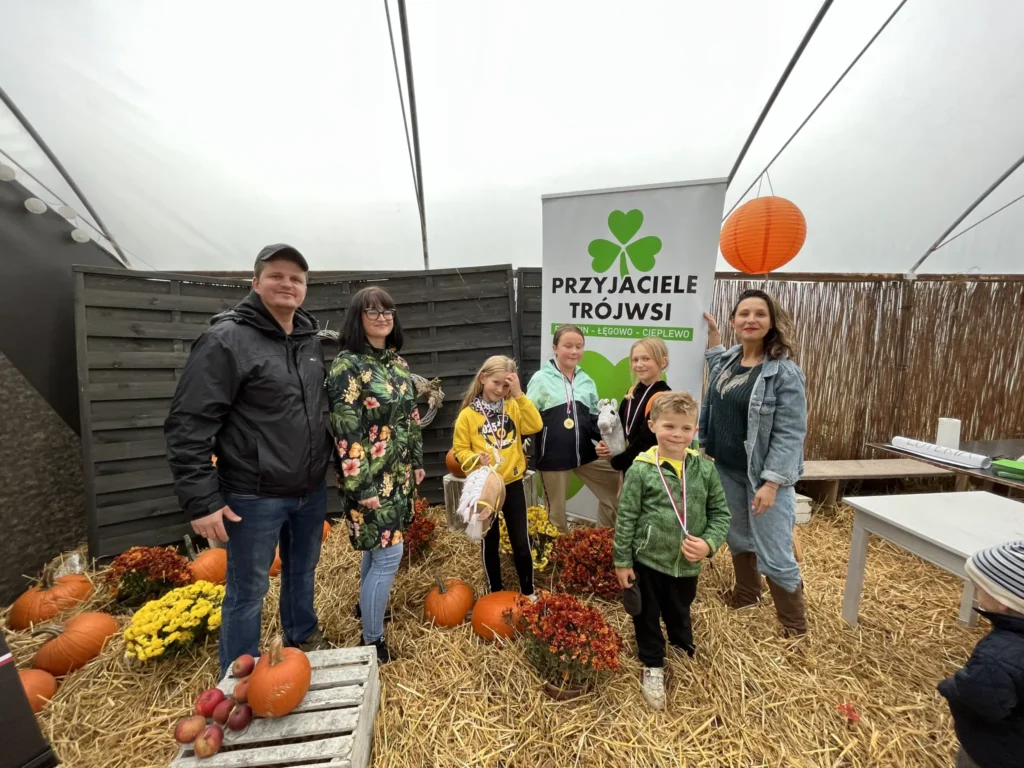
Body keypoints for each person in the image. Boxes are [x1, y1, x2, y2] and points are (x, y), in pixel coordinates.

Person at [165, 244, 334, 678]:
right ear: (255, 283)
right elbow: (189, 422)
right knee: (248, 588)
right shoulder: (226, 340)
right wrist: (202, 500)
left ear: (305, 288)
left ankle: (302, 635)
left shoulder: (308, 340)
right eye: (276, 275)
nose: (287, 284)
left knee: (302, 570)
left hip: (309, 488)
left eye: (296, 278)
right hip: (254, 493)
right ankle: (239, 673)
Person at [612, 391, 731, 710]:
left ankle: (682, 651)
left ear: (695, 431)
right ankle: (653, 664)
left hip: (686, 566)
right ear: (652, 426)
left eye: (685, 428)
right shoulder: (641, 470)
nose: (677, 434)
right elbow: (626, 516)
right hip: (647, 561)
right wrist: (622, 560)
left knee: (680, 611)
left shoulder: (705, 471)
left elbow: (721, 514)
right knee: (647, 616)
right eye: (669, 426)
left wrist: (708, 543)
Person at [700, 288, 808, 636]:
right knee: (738, 537)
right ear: (733, 321)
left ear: (771, 322)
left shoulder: (784, 374)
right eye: (744, 314)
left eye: (760, 314)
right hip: (727, 468)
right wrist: (713, 338)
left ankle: (793, 627)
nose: (751, 320)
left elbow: (790, 433)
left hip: (762, 476)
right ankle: (747, 595)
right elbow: (717, 368)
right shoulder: (730, 360)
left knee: (774, 550)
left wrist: (772, 483)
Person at [325, 286, 424, 664]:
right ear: (358, 318)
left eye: (388, 311)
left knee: (376, 549)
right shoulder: (346, 366)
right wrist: (361, 485)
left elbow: (410, 418)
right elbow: (345, 429)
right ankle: (372, 640)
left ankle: (365, 608)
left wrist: (417, 462)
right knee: (389, 554)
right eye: (373, 311)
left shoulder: (398, 364)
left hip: (398, 475)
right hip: (367, 478)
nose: (382, 317)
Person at [451, 356, 543, 597]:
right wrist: (474, 459)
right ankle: (495, 592)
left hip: (512, 484)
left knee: (520, 541)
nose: (501, 389)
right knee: (489, 541)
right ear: (483, 378)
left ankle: (528, 592)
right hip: (486, 487)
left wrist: (519, 394)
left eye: (506, 385)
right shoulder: (467, 416)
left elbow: (535, 425)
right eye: (496, 383)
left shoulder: (513, 406)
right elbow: (460, 450)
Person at [937, 540, 1024, 768]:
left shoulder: (996, 655)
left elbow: (978, 697)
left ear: (1003, 601)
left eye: (980, 587)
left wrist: (951, 686)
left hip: (993, 753)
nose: (976, 592)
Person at [525, 324, 620, 531]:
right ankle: (558, 550)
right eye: (568, 346)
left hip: (584, 453)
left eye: (579, 346)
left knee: (615, 492)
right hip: (554, 457)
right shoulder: (541, 379)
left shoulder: (586, 380)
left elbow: (594, 419)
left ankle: (601, 540)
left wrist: (604, 440)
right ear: (555, 348)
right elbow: (527, 418)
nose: (574, 351)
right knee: (556, 517)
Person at [597, 338, 672, 485]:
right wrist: (607, 445)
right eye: (635, 359)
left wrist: (618, 461)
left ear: (663, 362)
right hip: (630, 465)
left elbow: (647, 440)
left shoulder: (664, 397)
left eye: (646, 359)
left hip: (650, 472)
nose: (639, 364)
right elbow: (620, 428)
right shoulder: (632, 392)